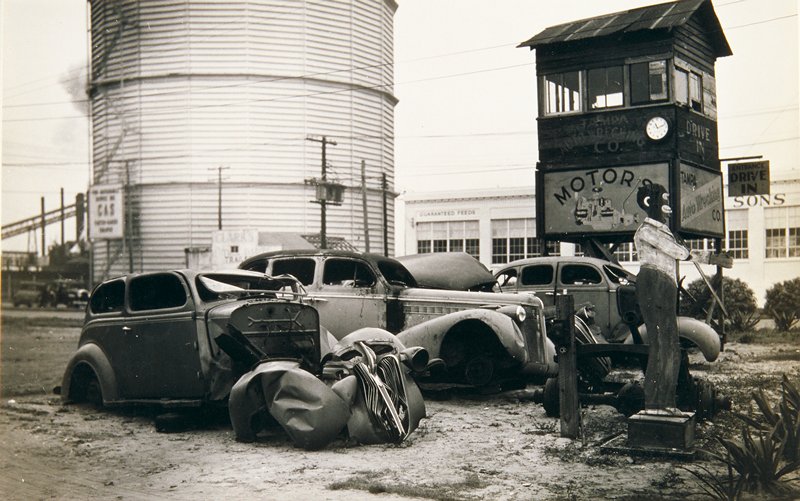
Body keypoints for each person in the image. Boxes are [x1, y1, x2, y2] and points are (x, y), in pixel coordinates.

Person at [633, 183, 708, 414]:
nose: (669, 205)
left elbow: (678, 250)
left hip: (664, 284)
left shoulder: (662, 230)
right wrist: (697, 254)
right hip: (654, 283)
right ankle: (655, 403)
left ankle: (665, 402)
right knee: (661, 345)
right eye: (665, 199)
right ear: (650, 203)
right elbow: (677, 251)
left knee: (670, 347)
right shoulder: (647, 231)